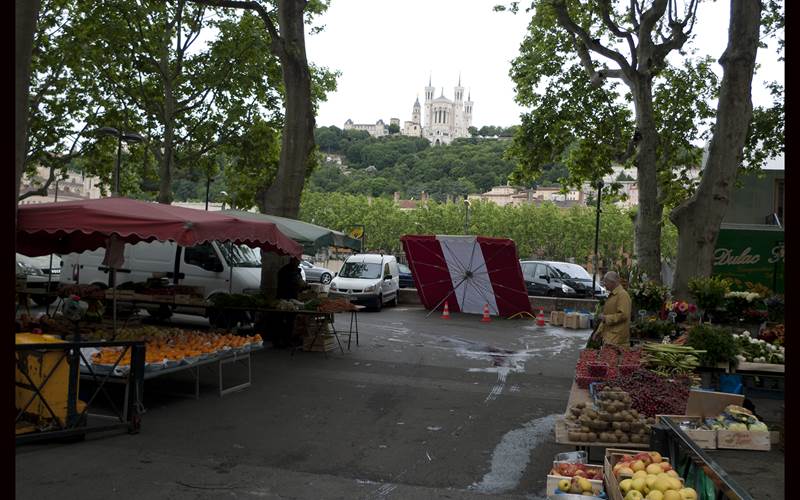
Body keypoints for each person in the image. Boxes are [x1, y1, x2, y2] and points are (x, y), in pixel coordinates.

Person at [595, 271, 632, 347]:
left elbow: (623, 315)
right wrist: (599, 331)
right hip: (610, 338)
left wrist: (605, 318)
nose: (604, 284)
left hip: (617, 340)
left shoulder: (622, 295)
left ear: (612, 282)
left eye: (605, 281)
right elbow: (606, 316)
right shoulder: (613, 295)